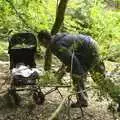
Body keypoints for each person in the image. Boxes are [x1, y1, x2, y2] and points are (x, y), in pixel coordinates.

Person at [37, 30, 106, 108]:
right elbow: (68, 56)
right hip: (88, 46)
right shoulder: (56, 40)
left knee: (93, 77)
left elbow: (73, 61)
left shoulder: (56, 46)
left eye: (40, 42)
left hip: (89, 49)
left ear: (44, 40)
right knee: (93, 76)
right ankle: (83, 100)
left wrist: (69, 71)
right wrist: (64, 69)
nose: (41, 45)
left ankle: (83, 100)